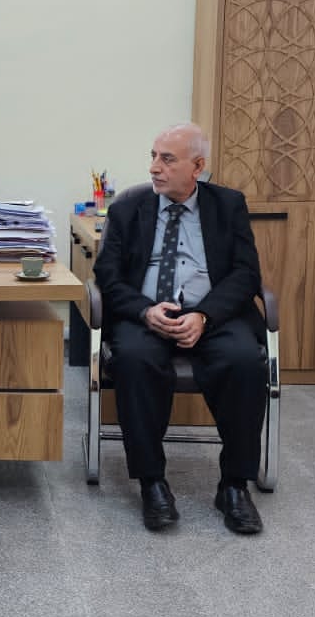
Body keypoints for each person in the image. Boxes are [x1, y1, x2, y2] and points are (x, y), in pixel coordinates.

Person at [91, 123, 267, 534]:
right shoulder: (127, 209)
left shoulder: (228, 205)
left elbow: (246, 273)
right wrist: (144, 311)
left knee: (245, 362)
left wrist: (204, 316)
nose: (154, 167)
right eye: (153, 156)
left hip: (213, 315)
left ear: (198, 167)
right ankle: (152, 483)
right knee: (134, 360)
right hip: (148, 315)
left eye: (167, 159)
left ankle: (234, 485)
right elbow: (107, 276)